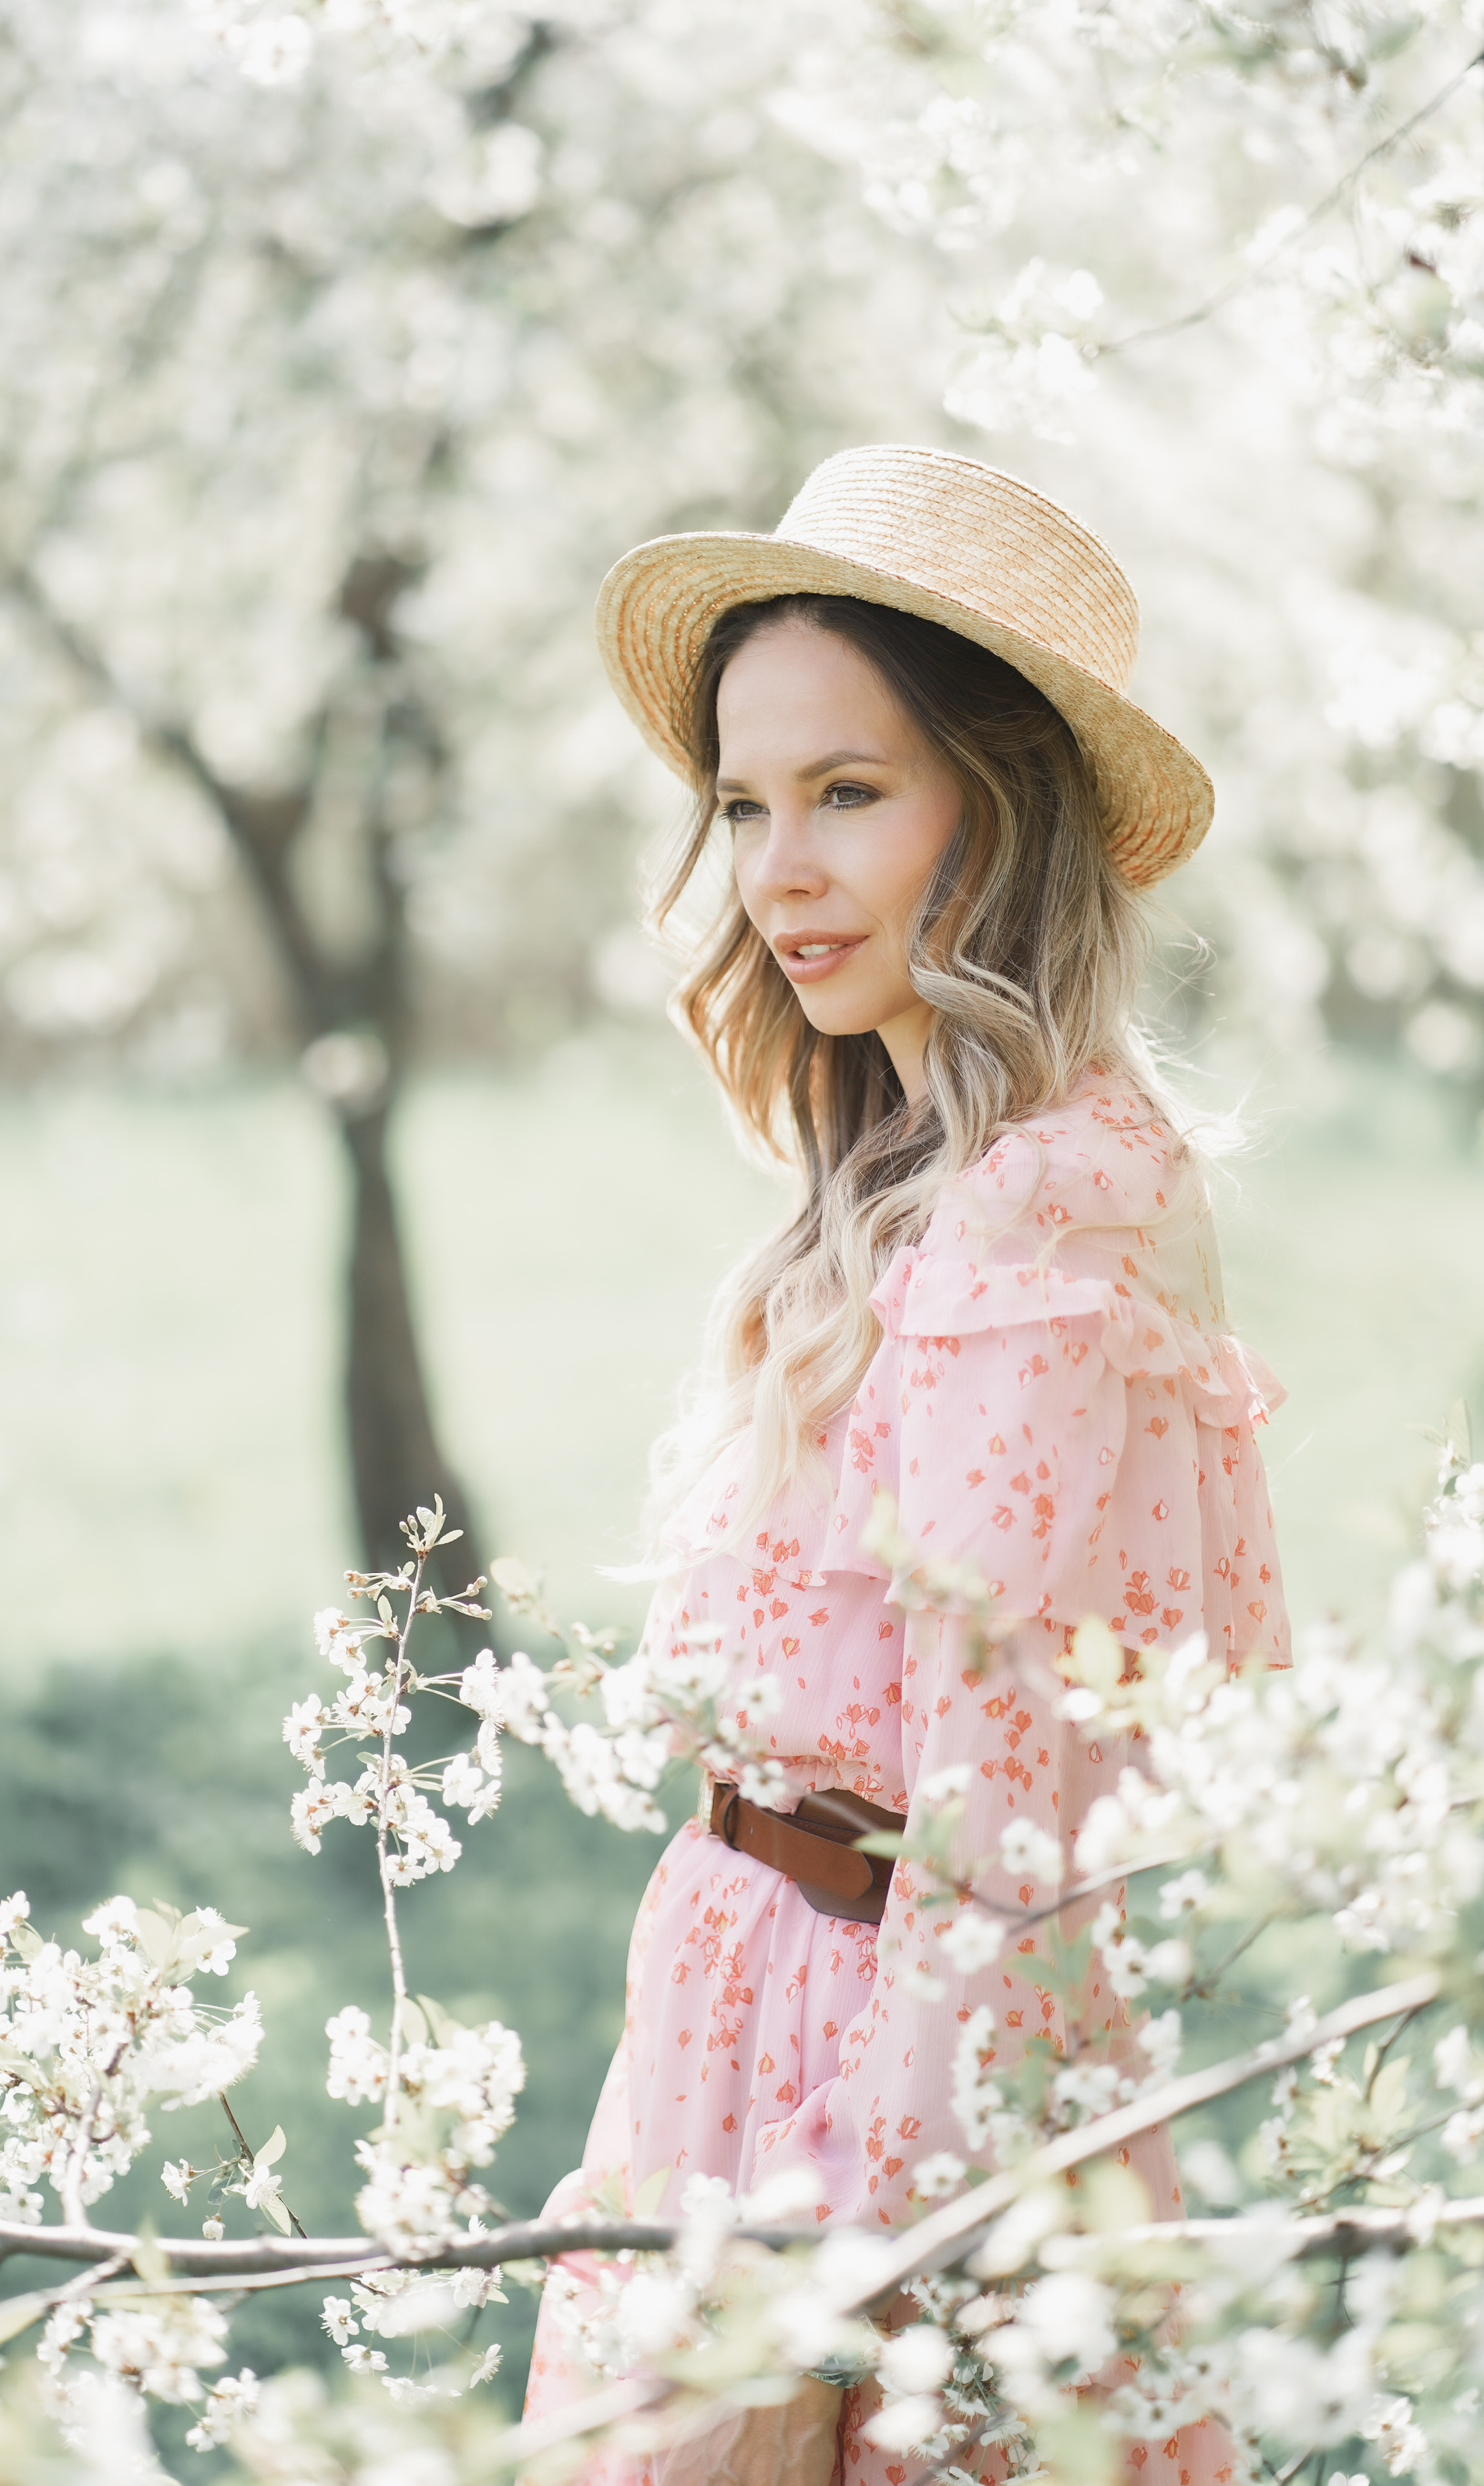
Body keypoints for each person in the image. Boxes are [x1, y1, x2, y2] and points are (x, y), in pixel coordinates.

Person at [520, 446, 1289, 2485]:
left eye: (848, 794)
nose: (776, 870)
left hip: (876, 2091)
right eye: (748, 803)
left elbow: (1003, 1815)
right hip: (732, 2022)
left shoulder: (1048, 1223)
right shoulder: (898, 1185)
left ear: (1004, 815)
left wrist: (867, 2285)